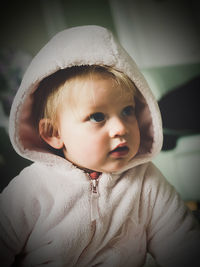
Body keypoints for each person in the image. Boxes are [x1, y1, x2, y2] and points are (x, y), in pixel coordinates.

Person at [0, 25, 199, 267]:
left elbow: (181, 243)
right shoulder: (31, 189)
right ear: (53, 133)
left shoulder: (147, 181)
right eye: (97, 117)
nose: (120, 128)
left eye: (128, 111)